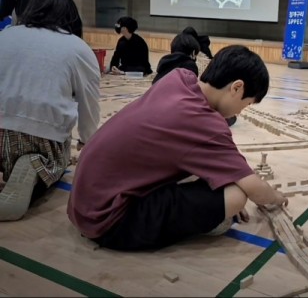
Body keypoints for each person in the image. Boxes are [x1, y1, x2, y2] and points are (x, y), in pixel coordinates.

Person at [67, 45, 288, 251]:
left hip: (85, 201)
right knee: (236, 197)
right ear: (237, 88)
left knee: (218, 183)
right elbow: (252, 187)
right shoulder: (205, 124)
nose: (241, 112)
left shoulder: (179, 78)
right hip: (110, 221)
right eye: (246, 104)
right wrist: (276, 197)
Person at [0, 0, 100, 221]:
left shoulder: (5, 35)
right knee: (60, 157)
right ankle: (36, 163)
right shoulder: (77, 48)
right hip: (38, 137)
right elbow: (89, 103)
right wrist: (88, 139)